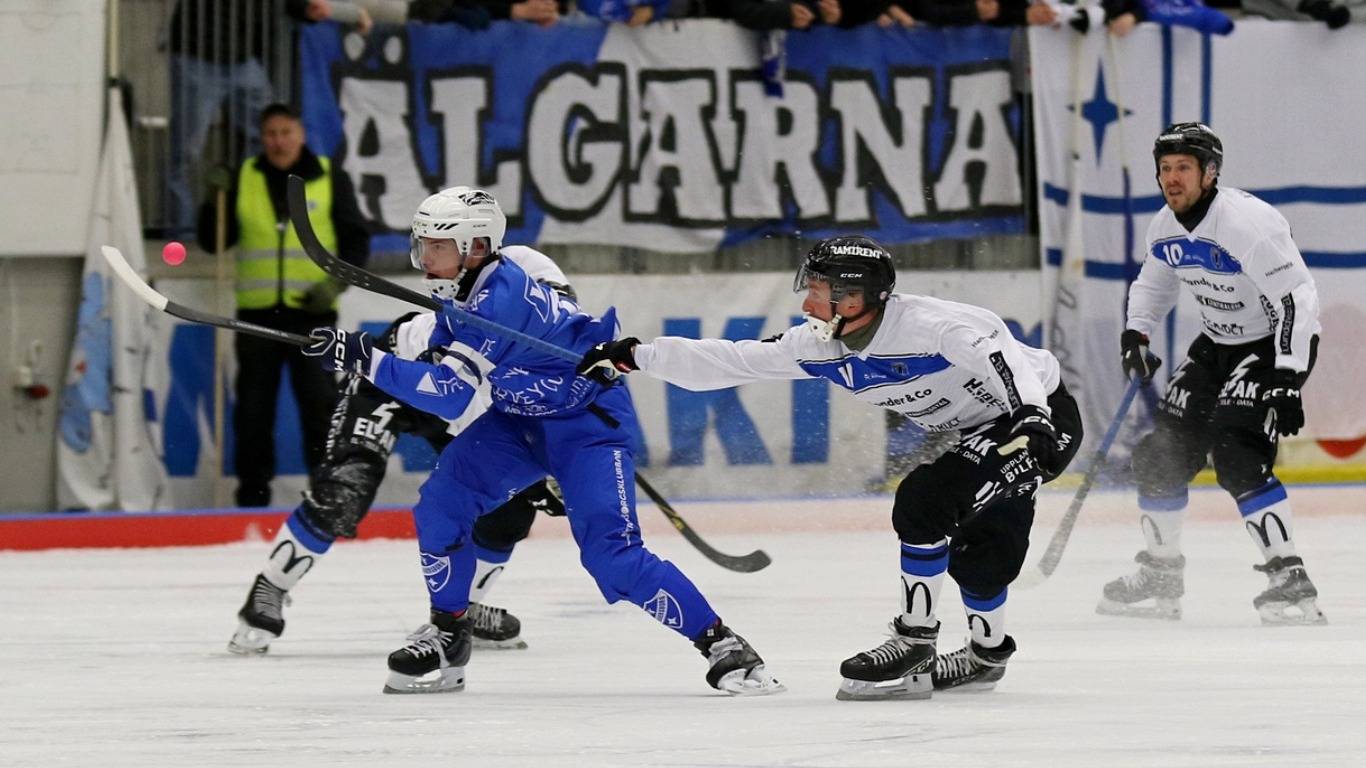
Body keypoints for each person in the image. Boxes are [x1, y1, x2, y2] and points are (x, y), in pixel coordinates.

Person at [299, 187, 782, 696]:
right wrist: (356, 352)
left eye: (436, 247)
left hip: (586, 428)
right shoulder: (463, 291)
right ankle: (449, 632)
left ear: (475, 246)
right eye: (422, 246)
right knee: (441, 505)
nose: (424, 261)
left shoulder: (498, 296)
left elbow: (448, 395)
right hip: (519, 422)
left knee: (610, 555)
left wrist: (364, 357)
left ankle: (724, 646)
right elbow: (444, 368)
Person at [579, 235, 1083, 699]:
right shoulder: (817, 345)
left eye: (819, 292)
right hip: (987, 427)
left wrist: (1032, 415)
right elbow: (732, 360)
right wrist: (636, 356)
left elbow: (1000, 354)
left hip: (1037, 422)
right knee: (982, 552)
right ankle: (986, 656)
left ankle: (915, 641)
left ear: (856, 297)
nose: (806, 304)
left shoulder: (929, 326)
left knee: (925, 500)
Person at [227, 246, 580, 656]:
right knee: (346, 488)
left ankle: (463, 608)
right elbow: (463, 405)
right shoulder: (473, 331)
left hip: (455, 405)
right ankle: (269, 588)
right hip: (391, 384)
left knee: (510, 510)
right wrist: (533, 472)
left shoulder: (557, 343)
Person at [1096, 123, 1326, 626]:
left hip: (1272, 344)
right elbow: (1154, 284)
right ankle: (1161, 575)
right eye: (1165, 169)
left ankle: (1289, 580)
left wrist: (1286, 374)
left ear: (1210, 173)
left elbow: (1296, 298)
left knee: (1236, 453)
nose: (1172, 179)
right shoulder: (1165, 225)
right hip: (1218, 345)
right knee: (1159, 456)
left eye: (1183, 168)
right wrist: (1135, 335)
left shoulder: (1246, 223)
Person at [198, 102, 370, 508]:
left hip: (313, 317)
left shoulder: (330, 177)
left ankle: (328, 494)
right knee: (253, 413)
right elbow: (213, 242)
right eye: (271, 133)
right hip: (256, 317)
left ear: (301, 134)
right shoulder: (243, 177)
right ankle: (252, 498)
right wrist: (212, 199)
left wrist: (335, 285)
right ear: (262, 137)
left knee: (320, 407)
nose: (278, 141)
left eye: (286, 132)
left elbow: (357, 240)